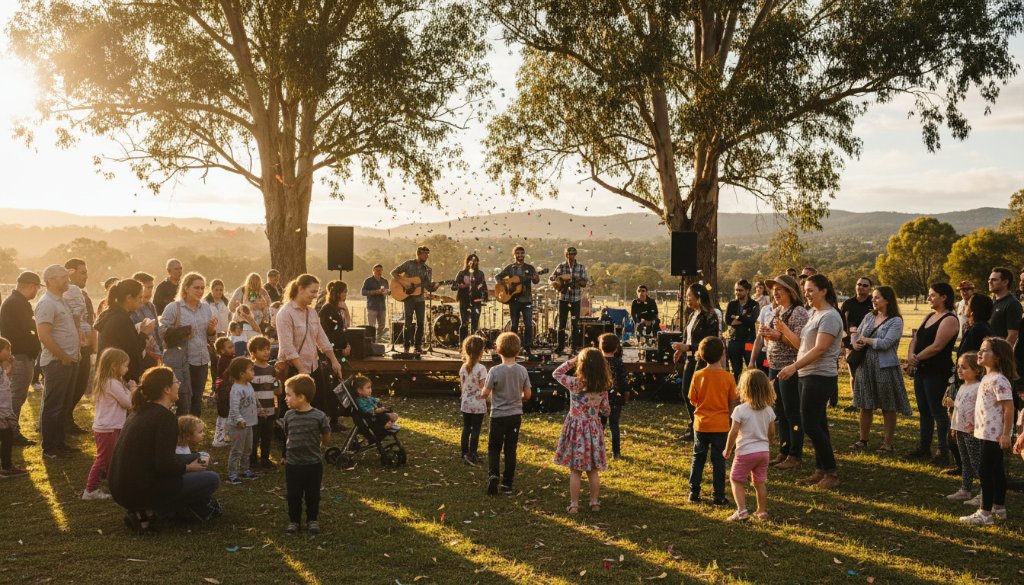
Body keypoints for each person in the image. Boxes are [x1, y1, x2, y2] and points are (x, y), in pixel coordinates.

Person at [109, 366, 221, 533]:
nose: (179, 384)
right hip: (140, 490)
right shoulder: (164, 418)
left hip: (120, 487)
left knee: (198, 458)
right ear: (166, 389)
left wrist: (194, 457)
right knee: (212, 479)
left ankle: (151, 511)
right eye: (176, 381)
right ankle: (153, 512)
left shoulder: (139, 411)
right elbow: (164, 464)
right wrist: (188, 467)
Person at [778, 274, 843, 490]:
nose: (806, 293)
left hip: (820, 376)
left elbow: (820, 348)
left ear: (824, 291)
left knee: (810, 424)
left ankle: (831, 473)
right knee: (819, 424)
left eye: (811, 290)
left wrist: (793, 367)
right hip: (807, 374)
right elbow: (802, 345)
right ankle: (821, 470)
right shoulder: (814, 314)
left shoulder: (830, 316)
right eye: (805, 290)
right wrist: (783, 333)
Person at [848, 286, 911, 453]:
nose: (873, 300)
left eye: (877, 298)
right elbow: (857, 334)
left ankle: (887, 444)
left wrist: (865, 340)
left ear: (887, 300)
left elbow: (885, 343)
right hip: (865, 365)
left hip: (884, 367)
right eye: (873, 297)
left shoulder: (896, 320)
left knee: (887, 405)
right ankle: (863, 440)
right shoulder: (869, 316)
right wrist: (856, 343)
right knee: (865, 404)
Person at [960, 338, 1016, 525]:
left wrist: (1006, 434)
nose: (980, 353)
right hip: (986, 432)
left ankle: (985, 513)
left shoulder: (999, 380)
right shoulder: (987, 377)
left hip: (996, 435)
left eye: (986, 351)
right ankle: (999, 508)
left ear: (998, 357)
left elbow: (1009, 408)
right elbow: (986, 407)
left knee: (985, 470)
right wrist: (974, 424)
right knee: (997, 470)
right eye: (980, 349)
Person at [275, 274, 344, 418]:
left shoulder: (312, 312)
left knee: (318, 404)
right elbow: (287, 346)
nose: (315, 296)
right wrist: (301, 370)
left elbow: (322, 338)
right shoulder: (285, 313)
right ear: (300, 289)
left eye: (316, 292)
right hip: (293, 368)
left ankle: (317, 433)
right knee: (292, 407)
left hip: (313, 365)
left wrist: (334, 360)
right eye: (312, 291)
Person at [552, 348, 612, 514]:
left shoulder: (575, 383)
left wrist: (573, 360)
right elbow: (606, 411)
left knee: (576, 470)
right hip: (593, 429)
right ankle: (594, 503)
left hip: (576, 429)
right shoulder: (603, 387)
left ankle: (574, 505)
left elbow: (556, 373)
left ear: (581, 365)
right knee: (593, 469)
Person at [906, 282, 959, 466]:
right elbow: (916, 338)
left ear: (944, 297)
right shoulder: (930, 315)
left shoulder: (949, 319)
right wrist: (911, 356)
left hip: (937, 371)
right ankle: (924, 447)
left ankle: (943, 451)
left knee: (937, 411)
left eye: (932, 295)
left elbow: (937, 346)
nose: (929, 298)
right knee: (924, 410)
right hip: (922, 370)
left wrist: (916, 358)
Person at [760, 274, 808, 471]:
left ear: (791, 291)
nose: (775, 293)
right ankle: (784, 449)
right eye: (774, 290)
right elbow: (774, 338)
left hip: (790, 368)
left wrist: (779, 336)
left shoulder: (798, 313)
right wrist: (768, 336)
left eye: (780, 289)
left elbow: (801, 345)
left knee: (792, 413)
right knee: (779, 411)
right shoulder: (777, 310)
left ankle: (795, 454)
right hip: (774, 366)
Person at [36, 264, 81, 459]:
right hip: (57, 363)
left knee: (63, 405)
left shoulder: (60, 301)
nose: (67, 280)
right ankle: (50, 448)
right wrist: (63, 356)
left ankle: (60, 443)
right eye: (63, 277)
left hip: (69, 361)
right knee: (53, 406)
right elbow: (43, 335)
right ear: (50, 281)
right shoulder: (46, 303)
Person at [687, 336, 738, 505]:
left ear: (701, 356)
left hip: (701, 424)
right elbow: (733, 401)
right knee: (718, 460)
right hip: (721, 425)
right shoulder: (728, 377)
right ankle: (718, 495)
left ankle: (694, 492)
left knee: (698, 457)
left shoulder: (698, 375)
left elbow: (692, 399)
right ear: (723, 353)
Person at [159, 272, 216, 417]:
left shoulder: (206, 308)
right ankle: (180, 431)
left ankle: (193, 431)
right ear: (186, 288)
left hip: (202, 359)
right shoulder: (174, 307)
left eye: (203, 288)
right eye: (196, 288)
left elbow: (209, 337)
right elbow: (161, 332)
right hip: (181, 360)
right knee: (183, 400)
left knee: (197, 399)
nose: (200, 291)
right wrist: (183, 332)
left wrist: (210, 330)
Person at [481, 332, 532, 495]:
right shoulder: (522, 370)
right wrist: (520, 397)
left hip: (497, 415)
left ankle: (493, 474)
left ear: (498, 350)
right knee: (511, 449)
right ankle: (507, 484)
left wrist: (484, 391)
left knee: (494, 448)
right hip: (515, 415)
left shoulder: (495, 371)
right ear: (518, 352)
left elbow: (485, 393)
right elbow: (528, 395)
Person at [282, 374, 332, 536]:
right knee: (293, 495)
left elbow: (326, 433)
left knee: (313, 494)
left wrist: (323, 444)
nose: (286, 399)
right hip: (293, 464)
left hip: (313, 464)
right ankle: (294, 521)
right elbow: (287, 434)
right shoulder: (289, 416)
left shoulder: (319, 416)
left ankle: (312, 520)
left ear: (301, 397)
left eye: (289, 395)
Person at [723, 369, 776, 521]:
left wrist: (727, 449)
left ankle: (741, 511)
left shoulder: (740, 410)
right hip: (763, 453)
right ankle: (762, 512)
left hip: (745, 452)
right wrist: (768, 443)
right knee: (759, 482)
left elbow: (733, 432)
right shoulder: (768, 410)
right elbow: (771, 432)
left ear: (744, 388)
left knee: (736, 479)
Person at [672, 283, 722, 441]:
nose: (687, 299)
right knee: (687, 392)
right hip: (690, 358)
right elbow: (689, 335)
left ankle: (701, 427)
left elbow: (710, 341)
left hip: (703, 360)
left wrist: (687, 347)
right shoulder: (692, 314)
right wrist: (681, 349)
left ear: (699, 297)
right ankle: (694, 424)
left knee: (699, 395)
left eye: (689, 297)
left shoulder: (710, 316)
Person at [83, 348, 133, 500]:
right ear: (114, 365)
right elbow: (127, 403)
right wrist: (133, 389)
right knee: (103, 459)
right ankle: (90, 490)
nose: (127, 369)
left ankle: (114, 483)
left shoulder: (110, 382)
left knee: (112, 457)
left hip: (110, 426)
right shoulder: (111, 383)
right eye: (125, 365)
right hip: (108, 428)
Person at [0, 271, 41, 445]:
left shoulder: (15, 301)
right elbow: (30, 326)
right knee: (16, 396)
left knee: (17, 396)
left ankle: (11, 432)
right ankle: (12, 434)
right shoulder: (18, 303)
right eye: (37, 288)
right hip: (20, 355)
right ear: (31, 286)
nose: (36, 292)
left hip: (20, 353)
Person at [94, 279, 155, 384]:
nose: (141, 301)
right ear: (129, 298)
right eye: (139, 297)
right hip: (118, 376)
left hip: (111, 373)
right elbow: (132, 351)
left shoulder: (114, 314)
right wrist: (144, 333)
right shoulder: (120, 319)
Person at [944, 352, 984, 502]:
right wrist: (954, 427)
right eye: (958, 367)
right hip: (960, 429)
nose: (959, 370)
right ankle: (965, 489)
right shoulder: (962, 386)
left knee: (976, 462)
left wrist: (974, 425)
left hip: (972, 431)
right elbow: (959, 409)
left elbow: (979, 409)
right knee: (965, 461)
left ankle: (984, 492)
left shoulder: (979, 387)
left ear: (977, 370)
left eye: (964, 368)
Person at [63, 258, 95, 436]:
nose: (86, 277)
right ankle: (63, 420)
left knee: (81, 385)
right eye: (83, 273)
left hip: (85, 346)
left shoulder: (83, 294)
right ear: (70, 273)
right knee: (73, 386)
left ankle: (66, 418)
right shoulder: (66, 295)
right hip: (74, 346)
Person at [391, 246, 438, 353]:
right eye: (424, 254)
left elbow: (429, 287)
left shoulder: (428, 269)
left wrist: (435, 286)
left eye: (427, 254)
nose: (426, 256)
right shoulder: (408, 264)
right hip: (408, 298)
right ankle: (406, 346)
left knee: (420, 323)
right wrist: (403, 282)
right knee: (408, 322)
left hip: (420, 299)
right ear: (418, 254)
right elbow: (393, 272)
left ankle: (417, 347)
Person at [840, 276, 875, 411]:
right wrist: (845, 343)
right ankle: (856, 402)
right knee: (854, 375)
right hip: (851, 345)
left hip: (869, 345)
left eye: (865, 285)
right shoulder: (847, 303)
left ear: (870, 288)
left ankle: (868, 403)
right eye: (859, 284)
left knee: (868, 376)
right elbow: (841, 325)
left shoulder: (873, 303)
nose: (861, 287)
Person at [497, 246, 541, 354]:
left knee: (528, 324)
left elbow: (536, 281)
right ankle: (513, 348)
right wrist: (505, 284)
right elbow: (498, 277)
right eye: (518, 253)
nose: (520, 255)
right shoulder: (510, 268)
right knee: (514, 325)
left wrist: (535, 277)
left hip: (527, 300)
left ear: (524, 254)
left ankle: (527, 347)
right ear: (514, 255)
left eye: (522, 253)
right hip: (513, 300)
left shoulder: (530, 268)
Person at [225, 356, 258, 485]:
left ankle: (245, 469)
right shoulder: (236, 389)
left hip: (249, 424)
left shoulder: (249, 385)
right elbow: (233, 408)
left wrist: (259, 409)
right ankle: (232, 474)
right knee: (237, 450)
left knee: (247, 449)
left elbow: (253, 400)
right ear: (242, 374)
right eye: (251, 370)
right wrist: (239, 419)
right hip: (238, 426)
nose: (253, 372)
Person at [550, 246, 589, 354]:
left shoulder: (580, 267)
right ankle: (560, 346)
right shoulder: (561, 266)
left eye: (571, 254)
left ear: (575, 255)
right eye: (567, 254)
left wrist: (576, 279)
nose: (569, 256)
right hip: (563, 299)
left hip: (575, 299)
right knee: (561, 323)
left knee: (574, 323)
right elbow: (551, 278)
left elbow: (585, 282)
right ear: (565, 254)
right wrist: (557, 282)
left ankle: (574, 347)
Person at [0, 338, 29, 478]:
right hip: (1, 412)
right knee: (7, 435)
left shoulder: (1, 368)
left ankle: (6, 466)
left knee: (7, 435)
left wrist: (9, 368)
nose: (10, 352)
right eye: (7, 349)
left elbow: (5, 381)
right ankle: (6, 467)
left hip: (4, 410)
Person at [249, 336, 278, 470]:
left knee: (267, 436)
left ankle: (265, 459)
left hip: (270, 409)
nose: (266, 352)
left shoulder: (272, 369)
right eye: (262, 350)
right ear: (253, 353)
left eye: (267, 349)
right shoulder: (250, 370)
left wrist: (278, 382)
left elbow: (277, 388)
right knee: (254, 437)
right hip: (255, 411)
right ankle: (252, 460)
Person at [459, 335, 487, 465]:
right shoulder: (481, 369)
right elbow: (483, 388)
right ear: (481, 351)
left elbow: (462, 386)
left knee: (466, 428)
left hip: (466, 403)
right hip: (478, 404)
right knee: (476, 429)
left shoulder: (463, 367)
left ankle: (464, 452)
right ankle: (473, 453)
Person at [724, 280, 760, 383]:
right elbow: (727, 320)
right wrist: (745, 318)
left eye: (740, 290)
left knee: (751, 368)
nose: (737, 292)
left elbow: (752, 320)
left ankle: (751, 392)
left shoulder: (754, 304)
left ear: (747, 291)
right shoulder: (732, 304)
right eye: (736, 290)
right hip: (734, 340)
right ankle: (737, 393)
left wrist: (737, 317)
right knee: (736, 370)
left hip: (748, 341)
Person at [598, 333, 627, 459]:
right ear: (616, 348)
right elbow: (623, 381)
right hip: (616, 398)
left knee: (600, 425)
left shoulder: (598, 362)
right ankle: (616, 453)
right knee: (614, 425)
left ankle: (598, 450)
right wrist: (626, 395)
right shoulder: (619, 362)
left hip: (599, 398)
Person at [130, 272, 162, 370]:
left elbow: (156, 330)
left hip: (155, 353)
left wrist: (159, 350)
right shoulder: (130, 309)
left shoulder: (150, 306)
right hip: (138, 355)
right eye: (147, 288)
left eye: (152, 287)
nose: (150, 291)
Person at [453, 253, 488, 342]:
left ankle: (473, 345)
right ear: (468, 262)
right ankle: (462, 345)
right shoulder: (461, 273)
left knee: (475, 324)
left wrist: (484, 296)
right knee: (464, 323)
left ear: (477, 263)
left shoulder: (480, 274)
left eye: (475, 261)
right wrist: (461, 286)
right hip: (464, 300)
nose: (473, 263)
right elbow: (453, 287)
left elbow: (484, 287)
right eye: (471, 261)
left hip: (476, 301)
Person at [229, 273, 272, 339]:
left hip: (259, 324)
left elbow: (270, 307)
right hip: (243, 324)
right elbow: (231, 307)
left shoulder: (263, 292)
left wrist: (263, 306)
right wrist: (241, 307)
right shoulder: (241, 290)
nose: (254, 286)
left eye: (256, 284)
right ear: (248, 282)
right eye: (252, 283)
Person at [318, 281, 351, 360]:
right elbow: (328, 331)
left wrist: (346, 344)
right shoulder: (328, 309)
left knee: (344, 366)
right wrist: (342, 346)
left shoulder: (339, 308)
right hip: (330, 350)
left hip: (340, 349)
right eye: (344, 291)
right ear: (337, 293)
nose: (346, 294)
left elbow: (345, 327)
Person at [987, 268, 1021, 345]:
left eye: (994, 280)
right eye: (989, 279)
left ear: (1005, 282)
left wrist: (1001, 354)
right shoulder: (992, 302)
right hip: (989, 351)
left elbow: (1013, 334)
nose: (989, 282)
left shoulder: (1012, 304)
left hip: (1000, 353)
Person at [211, 337, 234, 449]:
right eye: (230, 347)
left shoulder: (229, 359)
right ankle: (218, 439)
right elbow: (221, 377)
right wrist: (217, 391)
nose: (233, 349)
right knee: (223, 416)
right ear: (222, 350)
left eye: (233, 346)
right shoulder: (224, 361)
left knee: (228, 415)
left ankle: (226, 438)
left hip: (227, 391)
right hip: (224, 392)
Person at [360, 264, 389, 342]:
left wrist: (387, 292)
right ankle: (371, 342)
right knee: (371, 326)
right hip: (372, 306)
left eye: (381, 270)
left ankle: (378, 340)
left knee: (382, 326)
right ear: (373, 271)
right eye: (377, 270)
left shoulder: (385, 281)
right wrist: (376, 292)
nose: (379, 272)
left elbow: (388, 291)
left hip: (382, 306)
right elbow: (363, 292)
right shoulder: (368, 281)